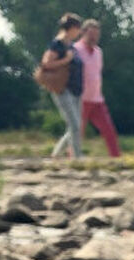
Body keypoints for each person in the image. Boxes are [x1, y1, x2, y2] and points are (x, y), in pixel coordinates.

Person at [74, 19, 121, 157]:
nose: (94, 37)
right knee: (78, 132)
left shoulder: (99, 52)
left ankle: (116, 158)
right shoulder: (76, 49)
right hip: (81, 98)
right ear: (83, 33)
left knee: (109, 130)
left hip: (97, 99)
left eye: (96, 34)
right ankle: (73, 159)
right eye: (91, 33)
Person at [42, 13, 84, 159]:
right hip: (63, 90)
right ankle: (77, 158)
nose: (80, 32)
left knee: (74, 126)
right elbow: (46, 64)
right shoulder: (57, 44)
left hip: (76, 90)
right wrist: (65, 60)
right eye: (79, 28)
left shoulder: (71, 45)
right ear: (72, 28)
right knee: (75, 125)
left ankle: (56, 154)